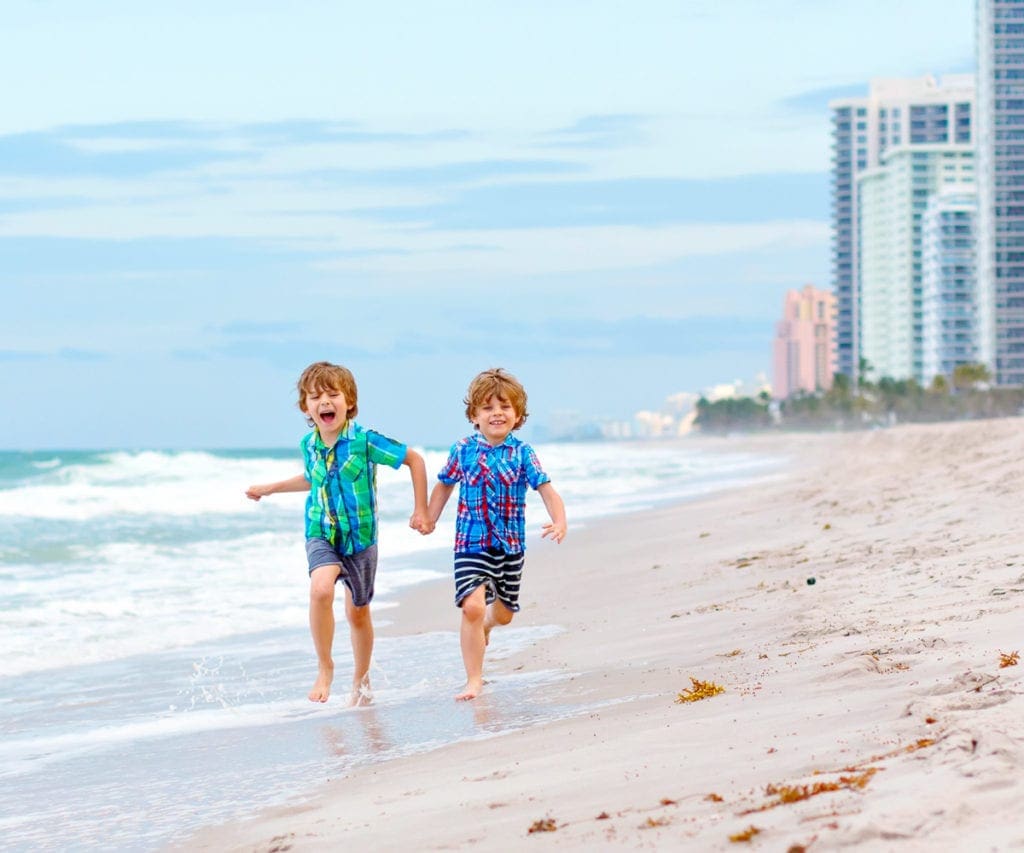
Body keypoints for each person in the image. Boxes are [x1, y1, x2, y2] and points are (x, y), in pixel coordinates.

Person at [246, 361, 429, 706]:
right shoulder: (309, 444)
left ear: (349, 402)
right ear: (305, 407)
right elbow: (312, 479)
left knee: (357, 612)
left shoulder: (364, 441)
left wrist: (420, 509)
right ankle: (325, 667)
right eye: (315, 397)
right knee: (320, 589)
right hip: (321, 531)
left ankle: (361, 682)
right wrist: (272, 487)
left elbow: (415, 460)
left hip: (360, 539)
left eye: (332, 395)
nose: (324, 402)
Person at [425, 368, 567, 701]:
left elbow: (546, 489)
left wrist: (559, 520)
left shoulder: (522, 453)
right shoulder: (462, 450)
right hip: (470, 543)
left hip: (510, 546)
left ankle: (490, 623)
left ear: (517, 415)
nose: (496, 413)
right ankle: (474, 680)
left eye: (504, 407)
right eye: (487, 408)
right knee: (471, 607)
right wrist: (429, 518)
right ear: (474, 415)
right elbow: (444, 484)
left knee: (503, 615)